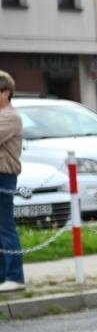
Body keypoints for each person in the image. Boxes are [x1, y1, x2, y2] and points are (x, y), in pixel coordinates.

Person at [0, 71, 24, 293]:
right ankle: (3, 275)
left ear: (5, 93)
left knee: (5, 226)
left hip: (3, 175)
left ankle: (15, 276)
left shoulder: (9, 117)